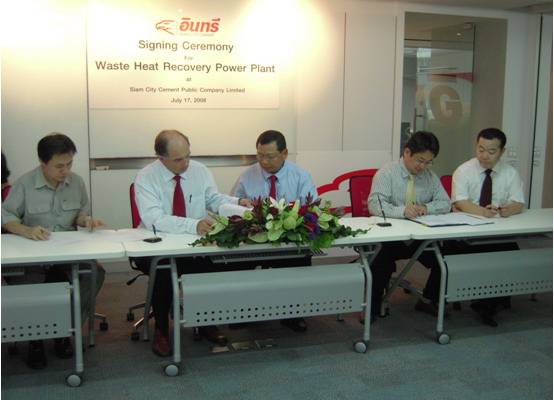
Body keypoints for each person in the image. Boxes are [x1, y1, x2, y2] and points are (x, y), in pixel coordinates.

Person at [133, 129, 252, 357]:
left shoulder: (199, 170)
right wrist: (193, 225)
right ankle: (161, 330)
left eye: (188, 155)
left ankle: (205, 320)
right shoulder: (146, 177)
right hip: (156, 244)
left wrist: (237, 202)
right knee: (164, 268)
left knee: (211, 263)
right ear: (161, 158)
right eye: (178, 159)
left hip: (192, 244)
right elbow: (153, 218)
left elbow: (213, 199)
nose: (186, 163)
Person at [1, 133, 107, 370]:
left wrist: (86, 220)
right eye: (59, 166)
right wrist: (27, 230)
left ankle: (64, 330)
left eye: (69, 164)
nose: (65, 171)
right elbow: (6, 217)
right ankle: (35, 339)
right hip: (32, 257)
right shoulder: (24, 184)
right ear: (42, 161)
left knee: (94, 272)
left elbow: (80, 213)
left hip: (65, 255)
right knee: (32, 286)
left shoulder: (76, 182)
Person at [230, 129, 318, 332]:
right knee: (235, 262)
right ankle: (243, 310)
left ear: (284, 153)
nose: (263, 161)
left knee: (299, 259)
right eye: (259, 155)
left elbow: (311, 210)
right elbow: (232, 205)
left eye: (270, 156)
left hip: (288, 240)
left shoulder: (301, 176)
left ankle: (293, 312)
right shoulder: (247, 175)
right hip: (253, 238)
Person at [367, 131, 451, 321]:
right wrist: (402, 211)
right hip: (391, 238)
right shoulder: (387, 174)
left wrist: (426, 208)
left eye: (428, 162)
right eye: (420, 161)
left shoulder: (430, 176)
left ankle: (428, 300)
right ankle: (372, 307)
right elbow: (376, 206)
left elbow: (445, 203)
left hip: (419, 237)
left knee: (444, 260)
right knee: (379, 264)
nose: (423, 167)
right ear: (406, 152)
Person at [450, 127, 524, 327]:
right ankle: (485, 301)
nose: (484, 155)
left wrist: (508, 209)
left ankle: (494, 300)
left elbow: (519, 203)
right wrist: (482, 211)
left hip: (498, 230)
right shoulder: (464, 171)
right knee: (483, 255)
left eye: (491, 151)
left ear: (502, 152)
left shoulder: (510, 173)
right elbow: (460, 202)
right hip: (467, 232)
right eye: (481, 149)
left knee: (512, 254)